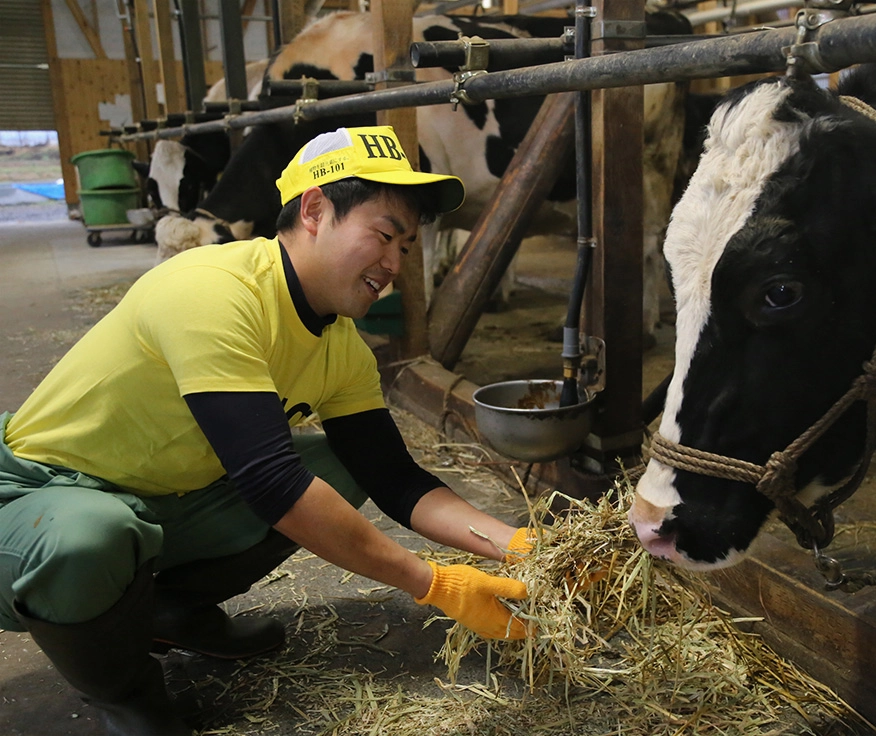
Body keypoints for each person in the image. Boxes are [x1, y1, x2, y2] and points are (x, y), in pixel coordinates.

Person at [0, 126, 535, 736]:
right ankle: (124, 691)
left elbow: (395, 478)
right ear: (314, 211)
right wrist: (430, 581)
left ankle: (174, 610)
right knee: (90, 537)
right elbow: (271, 483)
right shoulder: (214, 290)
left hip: (158, 499)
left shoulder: (340, 347)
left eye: (407, 247)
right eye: (385, 235)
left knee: (340, 464)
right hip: (36, 494)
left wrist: (520, 547)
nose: (394, 263)